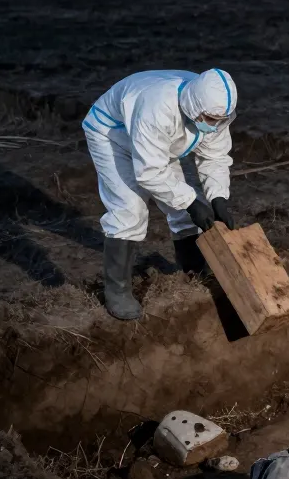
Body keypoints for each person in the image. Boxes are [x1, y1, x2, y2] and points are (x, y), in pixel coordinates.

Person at [82, 69, 238, 320]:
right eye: (211, 119)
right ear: (194, 108)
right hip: (113, 134)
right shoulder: (157, 107)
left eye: (220, 120)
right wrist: (191, 202)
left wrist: (218, 197)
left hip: (155, 141)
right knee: (130, 209)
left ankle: (194, 269)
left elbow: (215, 157)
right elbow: (150, 172)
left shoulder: (213, 111)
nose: (215, 125)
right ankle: (117, 290)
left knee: (187, 209)